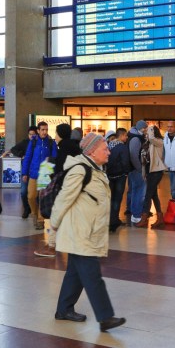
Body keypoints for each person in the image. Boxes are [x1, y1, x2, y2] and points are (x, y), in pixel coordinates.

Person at [51, 132, 126, 333]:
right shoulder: (80, 171)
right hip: (80, 232)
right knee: (92, 276)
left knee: (75, 273)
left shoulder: (96, 169)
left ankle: (64, 309)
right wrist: (53, 227)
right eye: (105, 149)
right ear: (92, 151)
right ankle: (105, 317)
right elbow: (63, 199)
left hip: (88, 230)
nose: (109, 152)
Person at [36, 124, 82, 257]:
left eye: (56, 133)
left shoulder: (64, 149)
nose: (55, 136)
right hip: (75, 186)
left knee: (57, 215)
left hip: (65, 188)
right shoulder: (75, 147)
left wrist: (49, 169)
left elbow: (60, 170)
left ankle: (51, 246)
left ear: (60, 134)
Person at [22, 121, 57, 229]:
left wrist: (51, 171)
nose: (44, 132)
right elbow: (27, 157)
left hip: (45, 173)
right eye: (42, 130)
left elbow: (55, 158)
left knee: (42, 198)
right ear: (38, 130)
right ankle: (34, 214)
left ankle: (41, 220)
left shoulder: (51, 143)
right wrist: (24, 172)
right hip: (33, 173)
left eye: (46, 129)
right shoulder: (33, 142)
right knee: (31, 196)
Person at [137, 125, 166, 229]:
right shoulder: (147, 143)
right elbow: (144, 159)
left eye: (149, 130)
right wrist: (144, 173)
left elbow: (152, 138)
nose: (146, 131)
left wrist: (150, 128)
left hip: (157, 171)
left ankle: (144, 218)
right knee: (154, 195)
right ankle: (160, 217)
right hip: (149, 171)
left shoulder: (158, 141)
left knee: (148, 194)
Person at [106, 128, 131, 232]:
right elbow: (125, 162)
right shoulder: (122, 147)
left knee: (110, 198)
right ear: (121, 135)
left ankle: (108, 219)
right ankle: (114, 221)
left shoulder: (109, 145)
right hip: (120, 175)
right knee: (117, 198)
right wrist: (126, 172)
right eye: (125, 136)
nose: (126, 138)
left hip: (109, 175)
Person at [125, 120, 147, 225]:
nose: (146, 130)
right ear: (142, 128)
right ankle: (136, 215)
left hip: (133, 169)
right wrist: (139, 169)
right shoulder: (136, 139)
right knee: (139, 192)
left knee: (135, 191)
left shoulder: (133, 136)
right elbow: (134, 155)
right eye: (145, 128)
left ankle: (135, 213)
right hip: (135, 170)